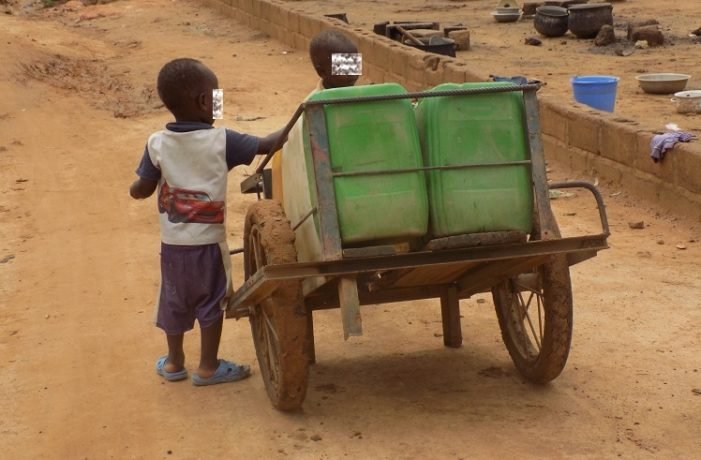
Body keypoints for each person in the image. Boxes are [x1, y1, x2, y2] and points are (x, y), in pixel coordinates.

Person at [129, 58, 284, 385]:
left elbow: (141, 189)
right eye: (216, 95)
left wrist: (138, 188)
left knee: (174, 300)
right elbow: (269, 144)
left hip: (173, 247)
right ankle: (208, 366)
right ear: (203, 101)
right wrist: (302, 117)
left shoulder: (157, 143)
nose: (218, 101)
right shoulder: (222, 140)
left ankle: (173, 363)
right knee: (211, 302)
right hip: (209, 247)